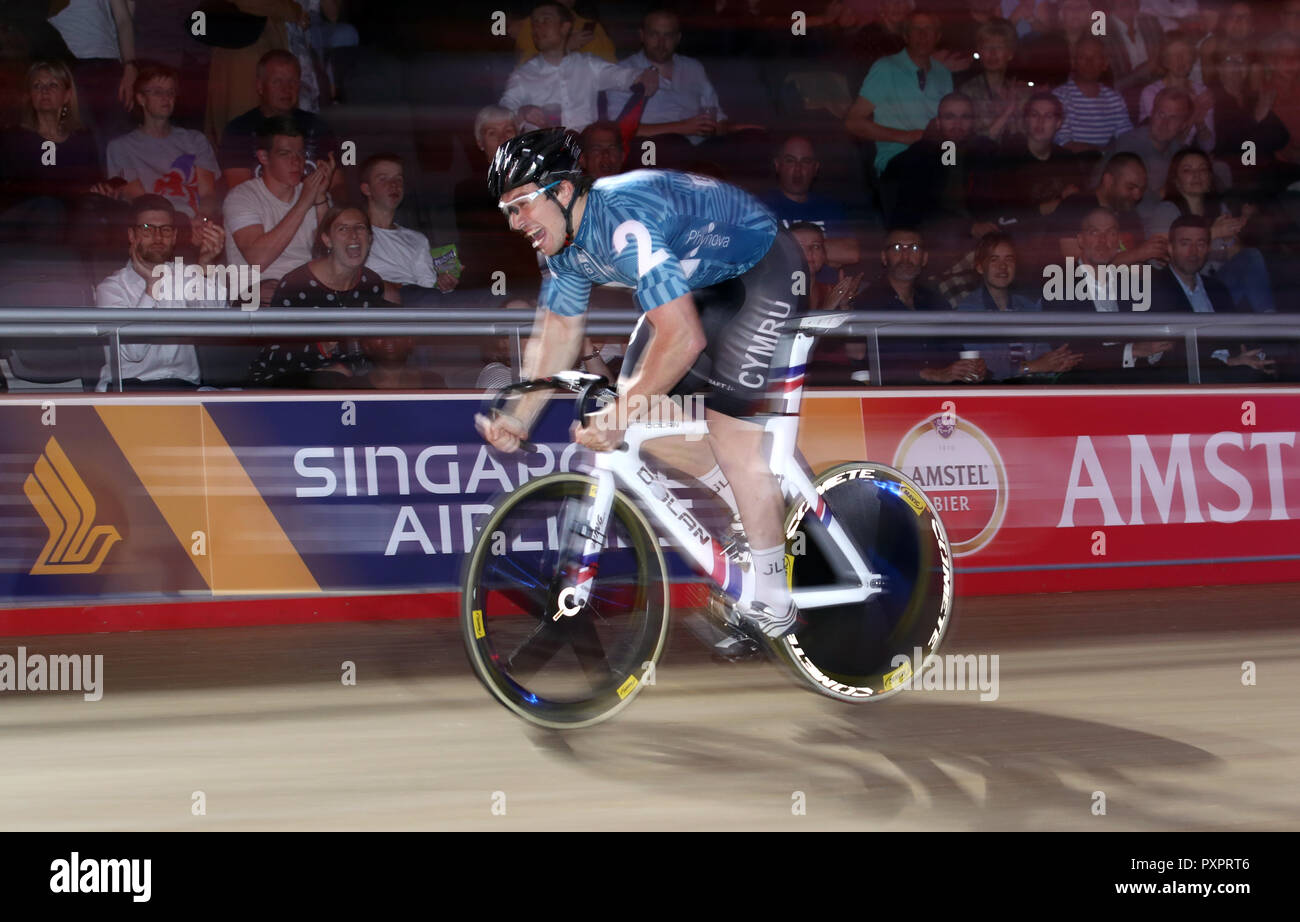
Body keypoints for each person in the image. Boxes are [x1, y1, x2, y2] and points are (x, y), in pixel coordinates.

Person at [476, 128, 805, 644]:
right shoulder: (562, 244)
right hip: (698, 281)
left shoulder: (621, 222)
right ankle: (752, 505)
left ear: (562, 191)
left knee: (722, 432)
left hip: (761, 269)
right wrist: (519, 414)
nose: (516, 223)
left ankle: (773, 597)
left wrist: (622, 412)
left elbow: (683, 338)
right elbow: (559, 331)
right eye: (507, 211)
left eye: (521, 205)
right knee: (631, 403)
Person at [94, 194, 227, 391]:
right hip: (129, 390)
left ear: (174, 236)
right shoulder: (111, 288)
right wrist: (151, 287)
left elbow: (215, 324)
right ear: (132, 235)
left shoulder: (186, 275)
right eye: (147, 229)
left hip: (184, 387)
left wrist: (206, 266)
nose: (158, 237)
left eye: (165, 230)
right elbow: (133, 352)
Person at [248, 205, 391, 387]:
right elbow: (274, 353)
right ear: (327, 240)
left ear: (370, 238)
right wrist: (322, 350)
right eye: (343, 229)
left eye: (360, 227)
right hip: (286, 379)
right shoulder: (297, 284)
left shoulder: (371, 283)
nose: (353, 235)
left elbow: (367, 349)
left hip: (350, 379)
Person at [1143, 147, 1276, 313]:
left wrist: (1230, 238)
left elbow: (1241, 260)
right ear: (1176, 180)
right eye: (1188, 170)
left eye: (1202, 170)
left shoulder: (1219, 208)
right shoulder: (1166, 210)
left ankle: (1269, 320)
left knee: (1253, 256)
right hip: (1182, 289)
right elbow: (1161, 256)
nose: (1197, 175)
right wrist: (1214, 233)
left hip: (1217, 287)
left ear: (1210, 178)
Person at [223, 116, 335, 305]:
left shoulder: (315, 193)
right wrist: (305, 200)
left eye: (301, 153)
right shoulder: (242, 197)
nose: (296, 162)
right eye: (285, 153)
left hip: (309, 288)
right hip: (258, 291)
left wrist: (320, 199)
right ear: (264, 157)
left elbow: (330, 256)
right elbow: (258, 259)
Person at [498, 2, 659, 134]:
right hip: (545, 153)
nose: (537, 28)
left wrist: (645, 76)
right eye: (534, 24)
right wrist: (522, 112)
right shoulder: (524, 74)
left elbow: (623, 77)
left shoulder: (588, 65)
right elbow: (502, 113)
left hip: (587, 152)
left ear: (565, 27)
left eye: (545, 21)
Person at [1148, 214, 1276, 380]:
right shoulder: (1155, 288)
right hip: (1189, 377)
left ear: (1208, 249)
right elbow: (1171, 351)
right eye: (1185, 244)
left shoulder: (1217, 288)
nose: (1193, 252)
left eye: (1200, 244)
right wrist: (1228, 362)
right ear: (1171, 249)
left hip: (1231, 372)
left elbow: (1237, 335)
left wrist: (1252, 356)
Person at [96, 63, 220, 224]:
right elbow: (139, 200)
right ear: (141, 98)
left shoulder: (195, 140)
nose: (166, 98)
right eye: (157, 92)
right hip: (153, 225)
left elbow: (208, 194)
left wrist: (201, 220)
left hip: (196, 222)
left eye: (170, 92)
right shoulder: (120, 147)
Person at [955, 231, 1083, 381]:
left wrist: (1057, 364)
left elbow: (1043, 356)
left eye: (1009, 259)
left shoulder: (1028, 306)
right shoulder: (969, 310)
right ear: (980, 267)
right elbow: (987, 370)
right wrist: (1035, 366)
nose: (1002, 266)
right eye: (994, 260)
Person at [0, 60, 101, 243]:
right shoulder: (13, 138)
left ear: (67, 95)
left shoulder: (82, 139)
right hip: (24, 216)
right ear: (30, 96)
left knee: (91, 213)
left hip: (71, 215)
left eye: (52, 85)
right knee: (48, 208)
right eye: (37, 86)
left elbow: (92, 184)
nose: (44, 91)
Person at [216, 49, 339, 192]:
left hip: (317, 208)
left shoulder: (318, 127)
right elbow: (240, 191)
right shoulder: (238, 130)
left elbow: (337, 185)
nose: (286, 89)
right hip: (261, 210)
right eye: (277, 82)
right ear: (260, 86)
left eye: (292, 81)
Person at [358, 153, 456, 305]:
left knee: (490, 298)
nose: (394, 185)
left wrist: (444, 283)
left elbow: (428, 285)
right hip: (378, 300)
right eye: (383, 179)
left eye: (398, 179)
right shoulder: (355, 233)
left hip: (418, 299)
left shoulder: (417, 239)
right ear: (367, 189)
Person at [760, 135, 860, 276]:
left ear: (815, 168)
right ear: (778, 165)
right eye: (790, 161)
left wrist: (785, 248)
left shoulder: (829, 207)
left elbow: (851, 253)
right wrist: (822, 252)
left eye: (805, 161)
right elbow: (757, 253)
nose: (798, 169)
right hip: (780, 290)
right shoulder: (760, 207)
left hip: (826, 289)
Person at [1052, 36, 1133, 153]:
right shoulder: (1060, 97)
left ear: (1105, 63)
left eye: (1095, 57)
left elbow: (1126, 137)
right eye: (1082, 57)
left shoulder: (1114, 99)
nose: (1089, 62)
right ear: (1073, 62)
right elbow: (1063, 142)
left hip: (1108, 164)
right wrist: (1103, 152)